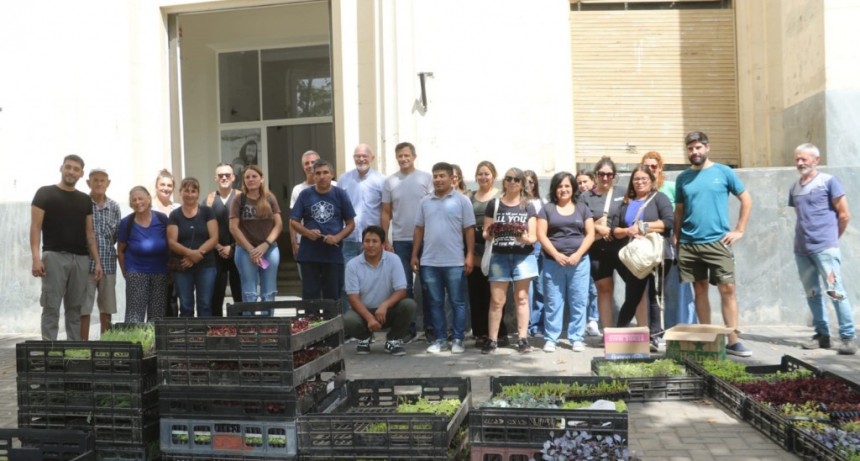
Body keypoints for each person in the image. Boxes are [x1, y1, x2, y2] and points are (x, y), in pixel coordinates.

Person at [675, 131, 753, 357]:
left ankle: (733, 340)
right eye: (690, 148)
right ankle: (708, 338)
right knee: (699, 289)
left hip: (717, 243)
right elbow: (679, 210)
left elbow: (746, 199)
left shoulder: (723, 172)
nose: (694, 152)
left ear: (707, 148)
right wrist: (677, 237)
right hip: (689, 243)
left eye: (698, 147)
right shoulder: (683, 178)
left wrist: (739, 230)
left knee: (727, 288)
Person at [790, 143, 856, 355]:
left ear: (816, 160)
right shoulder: (795, 187)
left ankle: (847, 337)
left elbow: (844, 214)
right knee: (812, 293)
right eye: (797, 159)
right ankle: (822, 335)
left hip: (825, 249)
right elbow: (801, 216)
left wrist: (831, 239)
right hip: (802, 250)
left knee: (835, 292)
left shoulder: (829, 182)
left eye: (804, 159)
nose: (800, 163)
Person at [30, 155, 103, 340]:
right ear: (61, 168)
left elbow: (89, 233)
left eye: (75, 169)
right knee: (51, 306)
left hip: (80, 259)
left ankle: (74, 351)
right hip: (54, 257)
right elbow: (35, 227)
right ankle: (49, 350)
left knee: (75, 308)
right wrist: (36, 258)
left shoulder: (84, 200)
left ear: (81, 174)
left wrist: (97, 262)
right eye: (68, 167)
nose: (71, 171)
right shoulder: (44, 193)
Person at [411, 162, 475, 354]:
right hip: (430, 262)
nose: (438, 179)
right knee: (435, 302)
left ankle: (457, 339)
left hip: (455, 262)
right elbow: (419, 229)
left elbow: (469, 230)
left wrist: (470, 255)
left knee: (457, 302)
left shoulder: (462, 201)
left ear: (451, 177)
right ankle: (439, 339)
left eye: (442, 176)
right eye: (435, 176)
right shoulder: (425, 201)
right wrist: (415, 254)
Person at [612, 166, 674, 352]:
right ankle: (618, 335)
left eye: (644, 178)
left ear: (651, 180)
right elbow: (615, 229)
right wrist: (627, 230)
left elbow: (669, 222)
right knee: (632, 297)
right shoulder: (626, 202)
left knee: (655, 296)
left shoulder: (659, 198)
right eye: (636, 179)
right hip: (636, 258)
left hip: (656, 256)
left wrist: (643, 226)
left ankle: (656, 336)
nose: (639, 182)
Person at [482, 168, 539, 354]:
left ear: (522, 183)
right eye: (509, 179)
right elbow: (485, 232)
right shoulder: (494, 204)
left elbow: (533, 237)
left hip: (523, 256)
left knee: (522, 298)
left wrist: (523, 238)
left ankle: (523, 339)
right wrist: (492, 232)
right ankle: (492, 340)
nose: (512, 182)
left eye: (516, 179)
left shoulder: (528, 206)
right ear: (504, 182)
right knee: (497, 300)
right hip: (499, 255)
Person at [538, 172, 595, 353]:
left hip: (579, 262)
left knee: (578, 300)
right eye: (560, 186)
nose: (563, 189)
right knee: (553, 301)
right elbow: (541, 235)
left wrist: (578, 254)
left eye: (567, 186)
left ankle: (576, 337)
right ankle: (551, 338)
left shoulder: (582, 208)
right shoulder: (547, 209)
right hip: (553, 262)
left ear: (573, 188)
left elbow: (591, 234)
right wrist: (556, 255)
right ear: (554, 189)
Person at [640, 152, 697, 331]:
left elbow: (683, 213)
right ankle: (655, 330)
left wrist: (678, 237)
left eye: (653, 166)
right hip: (647, 243)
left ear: (660, 168)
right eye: (646, 166)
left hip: (671, 240)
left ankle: (680, 327)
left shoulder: (671, 187)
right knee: (652, 290)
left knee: (676, 288)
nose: (650, 170)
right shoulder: (639, 188)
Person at [381, 142, 432, 340]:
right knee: (404, 288)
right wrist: (385, 239)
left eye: (406, 155)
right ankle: (408, 329)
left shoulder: (426, 178)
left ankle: (430, 329)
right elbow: (385, 212)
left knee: (428, 285)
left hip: (427, 240)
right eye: (400, 156)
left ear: (414, 156)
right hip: (400, 240)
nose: (403, 159)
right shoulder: (390, 181)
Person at [344, 226, 418, 356]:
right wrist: (369, 318)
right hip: (364, 311)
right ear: (362, 244)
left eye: (375, 241)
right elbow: (352, 298)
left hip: (388, 310)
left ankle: (393, 340)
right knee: (348, 319)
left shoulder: (394, 260)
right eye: (367, 241)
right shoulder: (352, 265)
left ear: (383, 244)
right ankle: (364, 338)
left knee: (409, 305)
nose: (370, 245)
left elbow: (402, 290)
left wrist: (385, 305)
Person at [290, 160, 356, 301]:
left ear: (332, 174)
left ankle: (331, 323)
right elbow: (293, 221)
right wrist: (307, 233)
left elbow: (351, 224)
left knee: (332, 297)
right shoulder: (305, 195)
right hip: (309, 254)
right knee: (310, 298)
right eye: (318, 173)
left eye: (325, 172)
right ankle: (310, 323)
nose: (322, 176)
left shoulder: (340, 195)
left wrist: (337, 237)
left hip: (332, 253)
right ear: (313, 176)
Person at [581, 157, 626, 341]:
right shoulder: (585, 197)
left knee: (635, 289)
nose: (605, 178)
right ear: (596, 175)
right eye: (602, 174)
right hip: (598, 250)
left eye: (609, 174)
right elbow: (582, 221)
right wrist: (598, 228)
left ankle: (636, 333)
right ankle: (608, 335)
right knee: (604, 289)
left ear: (614, 176)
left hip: (622, 249)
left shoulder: (623, 193)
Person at [230, 165, 284, 303]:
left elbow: (278, 225)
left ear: (262, 179)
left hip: (269, 249)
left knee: (269, 291)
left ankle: (268, 323)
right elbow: (234, 228)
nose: (251, 179)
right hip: (245, 251)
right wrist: (251, 250)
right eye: (247, 177)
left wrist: (265, 245)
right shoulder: (239, 199)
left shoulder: (270, 198)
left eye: (254, 176)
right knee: (250, 292)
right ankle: (250, 323)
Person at [467, 161, 507, 347]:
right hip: (474, 248)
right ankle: (481, 333)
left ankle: (499, 333)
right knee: (477, 292)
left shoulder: (501, 196)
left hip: (494, 248)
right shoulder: (470, 197)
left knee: (496, 293)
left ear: (494, 175)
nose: (483, 177)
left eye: (487, 174)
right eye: (480, 174)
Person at [167, 178, 218, 317]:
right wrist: (190, 254)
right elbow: (172, 242)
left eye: (193, 191)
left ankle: (204, 336)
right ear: (180, 192)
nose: (190, 194)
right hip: (183, 265)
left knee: (205, 304)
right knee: (186, 305)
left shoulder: (207, 212)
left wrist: (197, 256)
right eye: (186, 191)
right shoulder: (175, 215)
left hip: (206, 265)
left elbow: (214, 238)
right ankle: (187, 336)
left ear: (198, 193)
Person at [118, 186, 169, 323]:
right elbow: (121, 250)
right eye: (133, 200)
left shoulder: (162, 219)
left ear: (148, 198)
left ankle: (153, 344)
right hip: (136, 272)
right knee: (134, 316)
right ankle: (134, 343)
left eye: (140, 198)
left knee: (157, 316)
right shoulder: (126, 223)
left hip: (160, 272)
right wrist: (125, 271)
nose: (137, 202)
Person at [81, 168, 121, 339]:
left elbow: (116, 235)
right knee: (84, 307)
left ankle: (105, 344)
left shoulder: (114, 207)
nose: (98, 183)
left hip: (108, 263)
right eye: (95, 180)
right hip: (85, 263)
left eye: (102, 180)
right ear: (88, 183)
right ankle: (82, 345)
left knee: (107, 308)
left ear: (108, 183)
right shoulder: (81, 203)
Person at [338, 144, 385, 270]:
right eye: (357, 156)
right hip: (349, 238)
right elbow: (338, 207)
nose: (361, 159)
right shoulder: (344, 179)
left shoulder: (381, 180)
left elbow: (386, 210)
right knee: (349, 278)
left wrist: (384, 237)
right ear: (353, 158)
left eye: (365, 156)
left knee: (372, 276)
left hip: (372, 239)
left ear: (372, 158)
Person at [205, 163, 242, 317]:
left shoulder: (241, 197)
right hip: (216, 253)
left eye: (227, 175)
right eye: (221, 175)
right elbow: (204, 226)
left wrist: (232, 247)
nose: (224, 177)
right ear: (216, 178)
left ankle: (241, 327)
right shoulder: (209, 200)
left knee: (239, 293)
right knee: (216, 294)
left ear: (233, 177)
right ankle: (217, 327)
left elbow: (246, 227)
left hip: (238, 251)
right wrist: (219, 247)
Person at [575, 170, 601, 337]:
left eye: (585, 181)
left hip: (599, 249)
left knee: (595, 287)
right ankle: (583, 322)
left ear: (593, 181)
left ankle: (593, 319)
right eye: (579, 183)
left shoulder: (598, 199)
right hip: (582, 248)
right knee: (583, 287)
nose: (582, 185)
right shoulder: (577, 201)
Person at [152, 169, 180, 316]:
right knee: (156, 298)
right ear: (156, 186)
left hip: (174, 259)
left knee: (172, 297)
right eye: (162, 184)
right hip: (154, 260)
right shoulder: (148, 207)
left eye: (169, 185)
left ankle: (173, 331)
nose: (166, 188)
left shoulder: (177, 208)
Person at [289, 150, 325, 260]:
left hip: (329, 242)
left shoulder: (335, 186)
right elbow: (293, 220)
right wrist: (294, 243)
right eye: (306, 163)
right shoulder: (298, 190)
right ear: (303, 167)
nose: (310, 165)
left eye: (313, 162)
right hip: (304, 243)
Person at [524, 169, 546, 338]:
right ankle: (528, 323)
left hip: (540, 244)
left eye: (531, 182)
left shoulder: (542, 201)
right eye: (525, 181)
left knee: (540, 285)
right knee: (526, 286)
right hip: (525, 244)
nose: (528, 185)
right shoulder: (518, 202)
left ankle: (537, 325)